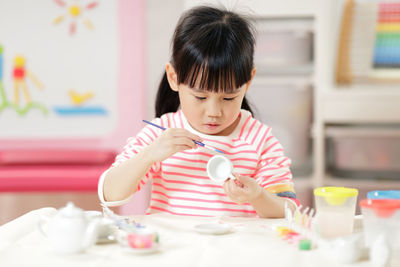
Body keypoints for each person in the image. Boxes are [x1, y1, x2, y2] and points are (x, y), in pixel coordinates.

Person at [98, 6, 299, 218]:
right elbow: (109, 195)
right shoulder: (162, 134)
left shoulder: (260, 141)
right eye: (200, 97)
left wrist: (257, 195)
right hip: (171, 249)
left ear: (248, 81)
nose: (213, 112)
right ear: (174, 78)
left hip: (234, 250)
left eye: (228, 98)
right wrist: (150, 155)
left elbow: (289, 211)